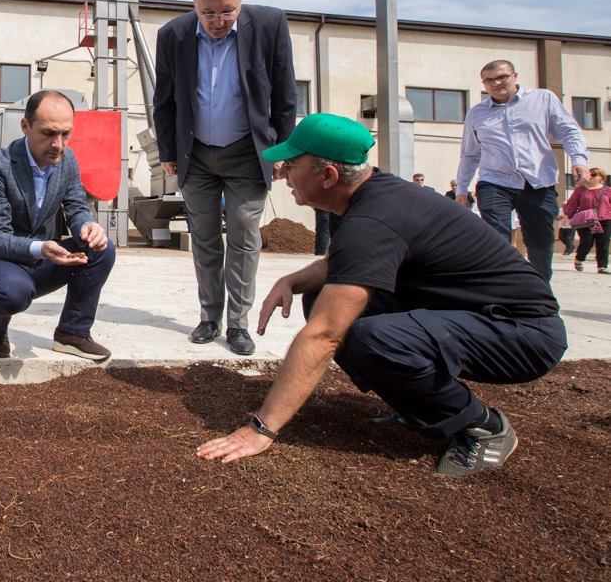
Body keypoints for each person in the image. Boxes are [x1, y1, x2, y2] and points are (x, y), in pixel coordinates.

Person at [197, 113, 567, 478]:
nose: (283, 174)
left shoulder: (373, 220)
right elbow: (343, 264)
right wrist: (293, 280)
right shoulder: (366, 196)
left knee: (368, 337)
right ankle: (422, 407)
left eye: (291, 165)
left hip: (523, 333)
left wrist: (261, 429)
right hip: (475, 314)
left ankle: (483, 426)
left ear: (328, 176)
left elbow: (324, 336)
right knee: (321, 297)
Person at [153, 0, 296, 355]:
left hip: (248, 153)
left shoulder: (269, 25)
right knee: (203, 237)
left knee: (244, 236)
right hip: (196, 154)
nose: (218, 21)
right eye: (208, 13)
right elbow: (163, 100)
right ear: (195, 6)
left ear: (241, 4)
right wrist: (167, 150)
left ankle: (237, 324)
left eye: (227, 12)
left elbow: (285, 96)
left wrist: (283, 151)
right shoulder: (173, 35)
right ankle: (209, 316)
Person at [0, 91, 116, 361]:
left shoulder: (67, 160)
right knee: (10, 293)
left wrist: (87, 226)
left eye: (65, 134)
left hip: (41, 258)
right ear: (25, 126)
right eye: (48, 133)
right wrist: (41, 248)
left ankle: (72, 333)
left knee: (101, 249)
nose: (58, 144)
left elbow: (76, 207)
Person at [456, 59, 589, 281]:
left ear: (514, 76)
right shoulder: (476, 113)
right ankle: (500, 287)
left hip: (538, 182)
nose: (496, 83)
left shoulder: (542, 99)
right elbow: (470, 154)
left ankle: (539, 290)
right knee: (495, 236)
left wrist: (579, 160)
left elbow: (569, 131)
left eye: (501, 77)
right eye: (489, 80)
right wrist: (462, 188)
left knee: (540, 242)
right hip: (494, 182)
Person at [563, 167, 611, 274]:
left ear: (601, 177)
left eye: (593, 175)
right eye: (589, 174)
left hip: (605, 219)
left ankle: (602, 266)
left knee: (603, 243)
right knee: (587, 242)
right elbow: (572, 204)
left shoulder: (608, 190)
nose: (590, 176)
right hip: (586, 220)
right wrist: (567, 216)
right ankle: (579, 259)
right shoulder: (580, 190)